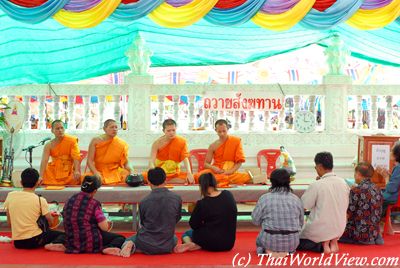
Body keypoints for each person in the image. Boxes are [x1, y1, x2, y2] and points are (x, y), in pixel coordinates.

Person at [120, 167, 182, 256]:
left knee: (129, 239)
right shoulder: (177, 198)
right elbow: (177, 218)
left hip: (146, 243)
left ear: (148, 182)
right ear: (165, 180)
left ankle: (132, 245)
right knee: (175, 238)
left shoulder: (144, 201)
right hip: (166, 244)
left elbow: (143, 223)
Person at [297, 152, 349, 254]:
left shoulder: (316, 185)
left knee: (295, 242)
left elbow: (302, 207)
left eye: (315, 167)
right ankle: (332, 241)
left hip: (319, 231)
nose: (315, 169)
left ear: (319, 166)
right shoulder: (343, 183)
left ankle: (322, 244)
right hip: (339, 229)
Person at [4, 168, 65, 251]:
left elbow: (9, 222)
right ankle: (53, 244)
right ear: (37, 183)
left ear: (21, 182)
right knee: (64, 235)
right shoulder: (40, 200)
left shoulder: (11, 195)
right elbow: (50, 222)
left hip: (18, 242)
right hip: (35, 240)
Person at [174, 173, 237, 253]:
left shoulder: (202, 203)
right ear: (215, 183)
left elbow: (193, 224)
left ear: (201, 186)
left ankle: (191, 244)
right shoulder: (228, 195)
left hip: (210, 241)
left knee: (186, 234)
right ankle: (199, 245)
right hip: (228, 243)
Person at [63, 175, 126, 255]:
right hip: (91, 242)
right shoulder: (94, 204)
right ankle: (107, 248)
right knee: (120, 238)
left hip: (71, 242)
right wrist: (107, 223)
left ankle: (60, 244)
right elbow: (104, 228)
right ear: (95, 191)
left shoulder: (69, 200)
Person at [252, 169, 303, 256]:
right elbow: (301, 223)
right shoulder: (296, 199)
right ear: (289, 181)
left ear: (271, 181)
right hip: (292, 243)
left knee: (260, 237)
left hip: (269, 241)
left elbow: (255, 221)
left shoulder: (264, 198)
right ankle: (287, 252)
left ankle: (267, 250)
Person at [194, 119, 251, 187]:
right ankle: (221, 179)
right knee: (199, 176)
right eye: (219, 131)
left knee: (246, 177)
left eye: (224, 131)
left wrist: (230, 171)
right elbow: (206, 164)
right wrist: (214, 168)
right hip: (217, 171)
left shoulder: (236, 141)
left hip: (231, 171)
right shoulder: (213, 146)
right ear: (216, 130)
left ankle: (218, 180)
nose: (222, 134)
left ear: (228, 129)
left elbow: (239, 161)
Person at [340, 162, 383, 245]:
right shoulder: (378, 189)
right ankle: (374, 237)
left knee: (334, 236)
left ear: (358, 174)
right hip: (374, 231)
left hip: (359, 233)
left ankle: (363, 238)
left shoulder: (356, 190)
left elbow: (349, 214)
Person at [143, 119, 194, 184]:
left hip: (174, 173)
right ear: (163, 131)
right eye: (168, 131)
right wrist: (154, 173)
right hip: (160, 172)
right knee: (143, 177)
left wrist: (189, 173)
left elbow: (185, 158)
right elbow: (151, 161)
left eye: (173, 130)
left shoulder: (182, 142)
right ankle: (164, 180)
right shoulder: (157, 143)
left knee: (192, 179)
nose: (171, 133)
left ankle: (164, 181)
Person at [87, 119, 133, 185]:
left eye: (116, 127)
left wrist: (131, 170)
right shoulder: (96, 141)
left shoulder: (121, 144)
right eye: (111, 127)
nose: (114, 129)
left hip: (115, 171)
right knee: (87, 178)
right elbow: (89, 161)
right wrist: (96, 172)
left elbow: (126, 162)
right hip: (100, 170)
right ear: (104, 129)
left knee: (127, 176)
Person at [39, 120, 81, 185]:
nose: (60, 130)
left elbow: (76, 157)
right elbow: (44, 160)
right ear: (52, 130)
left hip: (68, 170)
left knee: (75, 178)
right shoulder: (48, 145)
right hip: (54, 170)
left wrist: (77, 170)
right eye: (57, 128)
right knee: (45, 174)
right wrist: (40, 176)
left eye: (62, 128)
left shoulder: (72, 141)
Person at [376, 141, 400, 234]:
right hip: (394, 195)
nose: (389, 153)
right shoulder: (397, 167)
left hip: (394, 197)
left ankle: (378, 227)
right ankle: (388, 227)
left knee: (374, 199)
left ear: (396, 155)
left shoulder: (398, 168)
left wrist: (386, 177)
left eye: (391, 151)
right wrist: (387, 175)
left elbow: (391, 189)